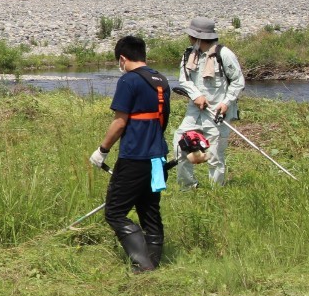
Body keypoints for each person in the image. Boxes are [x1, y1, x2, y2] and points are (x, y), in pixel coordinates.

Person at [90, 35, 171, 273]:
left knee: (114, 212)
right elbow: (163, 119)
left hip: (134, 156)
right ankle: (154, 262)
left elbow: (119, 123)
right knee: (149, 209)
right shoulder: (161, 80)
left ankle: (143, 264)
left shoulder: (129, 81)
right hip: (157, 157)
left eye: (119, 61)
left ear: (123, 58)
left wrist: (102, 150)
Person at [173, 16, 244, 189]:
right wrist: (196, 95)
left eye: (191, 36)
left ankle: (216, 191)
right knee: (179, 145)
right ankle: (188, 187)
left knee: (214, 156)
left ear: (198, 37)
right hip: (194, 112)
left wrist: (226, 102)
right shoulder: (189, 54)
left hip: (217, 114)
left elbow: (238, 81)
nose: (189, 39)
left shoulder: (224, 54)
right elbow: (184, 80)